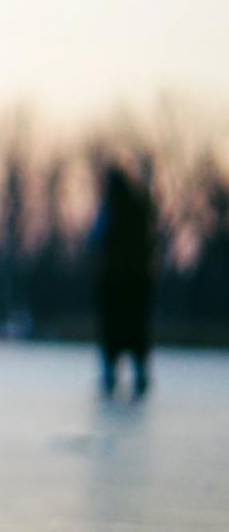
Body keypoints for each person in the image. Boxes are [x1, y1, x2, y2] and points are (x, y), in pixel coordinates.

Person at [92, 164, 156, 399]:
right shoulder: (140, 208)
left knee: (113, 329)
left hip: (116, 281)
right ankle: (139, 372)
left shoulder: (110, 209)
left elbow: (95, 238)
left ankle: (111, 373)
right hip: (138, 281)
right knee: (136, 329)